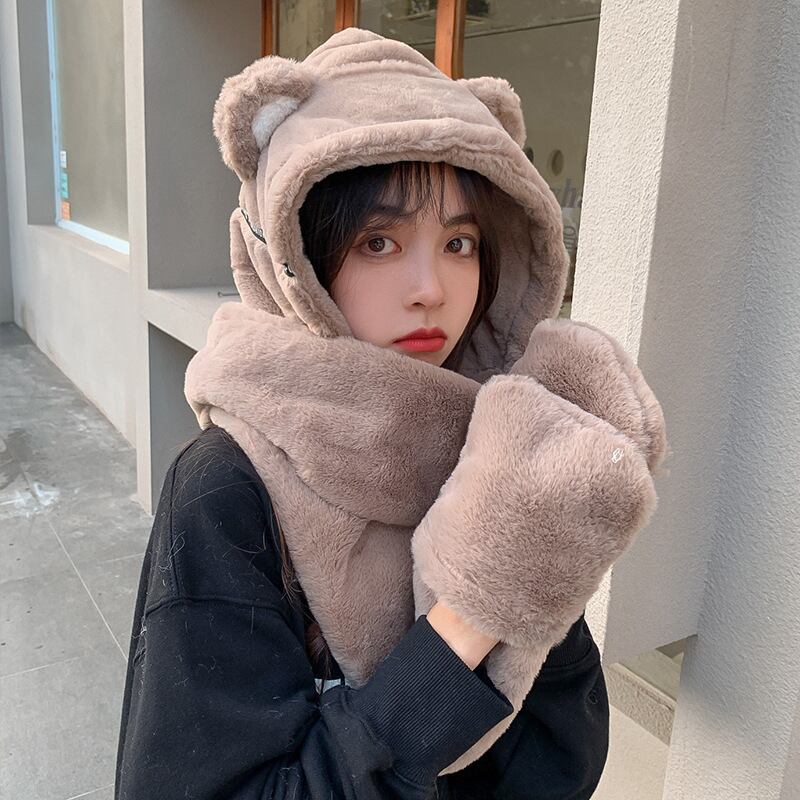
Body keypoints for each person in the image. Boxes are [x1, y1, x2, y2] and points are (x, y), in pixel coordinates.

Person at [115, 26, 667, 800]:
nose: (431, 289)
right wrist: (470, 617)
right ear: (297, 254)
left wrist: (548, 557)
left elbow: (559, 763)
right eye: (378, 242)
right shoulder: (226, 489)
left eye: (460, 243)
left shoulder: (498, 446)